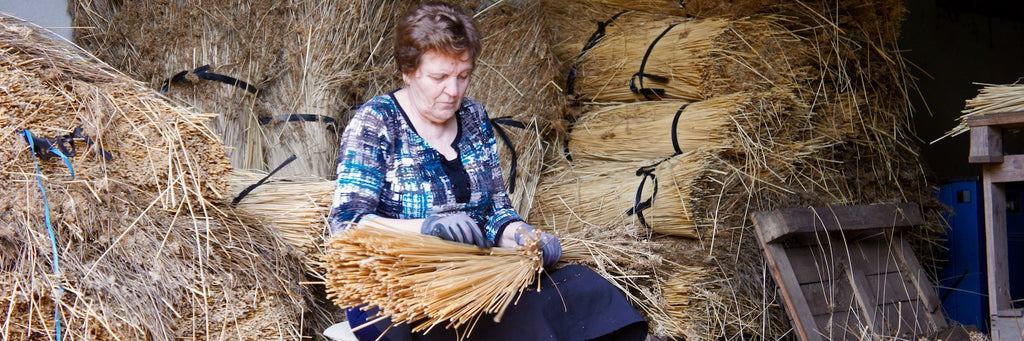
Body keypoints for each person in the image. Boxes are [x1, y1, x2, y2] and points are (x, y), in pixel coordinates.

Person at [328, 2, 648, 340]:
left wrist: (524, 235)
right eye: (439, 77)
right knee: (516, 322)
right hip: (401, 290)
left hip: (473, 271)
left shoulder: (473, 116)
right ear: (408, 72)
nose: (453, 91)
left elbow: (495, 210)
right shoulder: (377, 121)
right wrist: (426, 227)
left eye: (463, 76)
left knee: (584, 288)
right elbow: (346, 225)